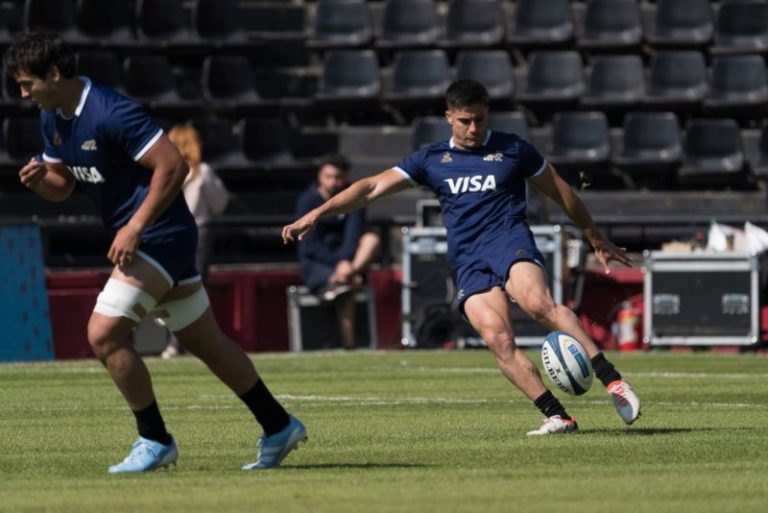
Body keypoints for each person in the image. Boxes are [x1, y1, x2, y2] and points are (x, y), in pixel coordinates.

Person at [4, 30, 306, 472]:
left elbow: (174, 164)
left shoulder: (111, 111)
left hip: (160, 234)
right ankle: (278, 425)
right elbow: (63, 185)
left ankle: (155, 439)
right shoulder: (52, 116)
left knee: (102, 334)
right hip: (148, 236)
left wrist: (135, 226)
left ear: (54, 74)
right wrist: (39, 184)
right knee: (205, 341)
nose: (22, 93)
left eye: (28, 83)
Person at [283, 79, 641, 435]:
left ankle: (612, 381)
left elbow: (562, 191)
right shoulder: (432, 159)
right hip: (468, 259)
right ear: (449, 117)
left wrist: (594, 236)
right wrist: (318, 213)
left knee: (537, 303)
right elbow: (372, 187)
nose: (473, 128)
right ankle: (558, 416)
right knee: (498, 340)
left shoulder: (514, 150)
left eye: (480, 120)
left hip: (508, 240)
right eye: (465, 121)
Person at [295, 154, 380, 350]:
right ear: (320, 176)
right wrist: (339, 263)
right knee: (346, 289)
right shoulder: (307, 201)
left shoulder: (353, 198)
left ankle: (345, 278)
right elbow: (310, 245)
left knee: (371, 238)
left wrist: (345, 264)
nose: (333, 182)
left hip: (348, 262)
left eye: (338, 177)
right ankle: (349, 343)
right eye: (328, 176)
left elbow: (353, 233)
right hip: (317, 264)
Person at [160, 124, 229, 359]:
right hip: (198, 233)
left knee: (170, 286)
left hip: (168, 232)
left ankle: (174, 342)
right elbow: (219, 204)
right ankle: (181, 342)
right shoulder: (203, 172)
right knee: (193, 288)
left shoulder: (162, 170)